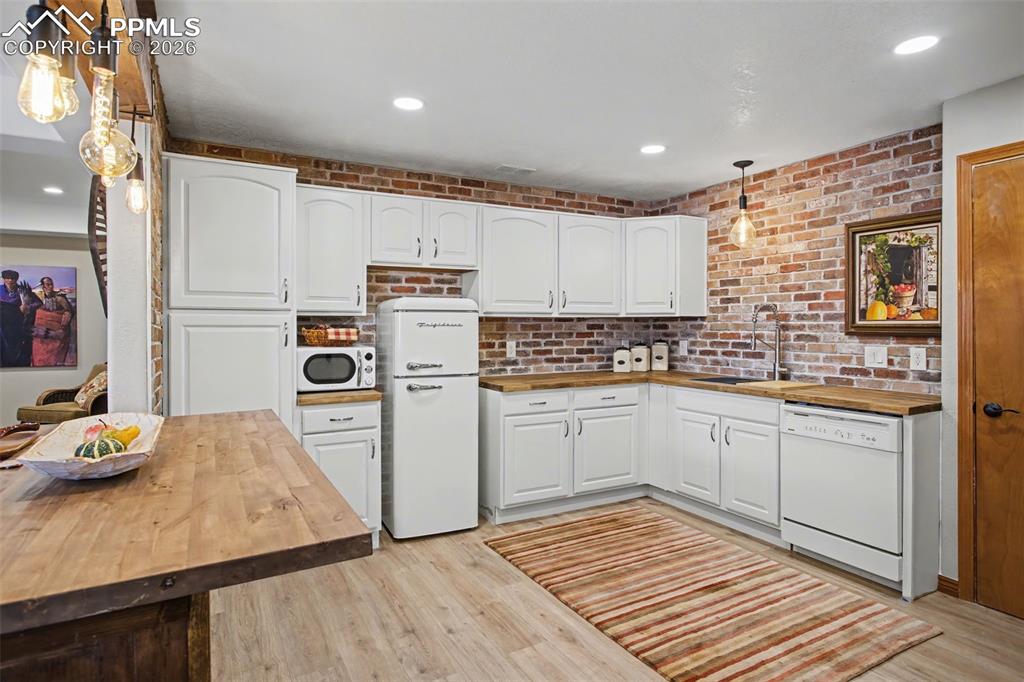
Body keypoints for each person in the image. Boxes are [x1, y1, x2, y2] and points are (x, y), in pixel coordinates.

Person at [32, 276, 76, 367]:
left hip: (58, 332)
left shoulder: (59, 297)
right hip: (43, 335)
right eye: (48, 285)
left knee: (55, 359)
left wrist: (63, 325)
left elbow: (69, 311)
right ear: (43, 287)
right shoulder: (39, 297)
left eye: (51, 284)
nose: (50, 286)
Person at [0, 269, 40, 367]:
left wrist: (28, 307)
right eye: (7, 278)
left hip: (19, 325)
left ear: (16, 279)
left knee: (21, 354)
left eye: (12, 278)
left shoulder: (23, 290)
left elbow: (38, 303)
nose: (10, 280)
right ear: (3, 279)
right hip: (3, 327)